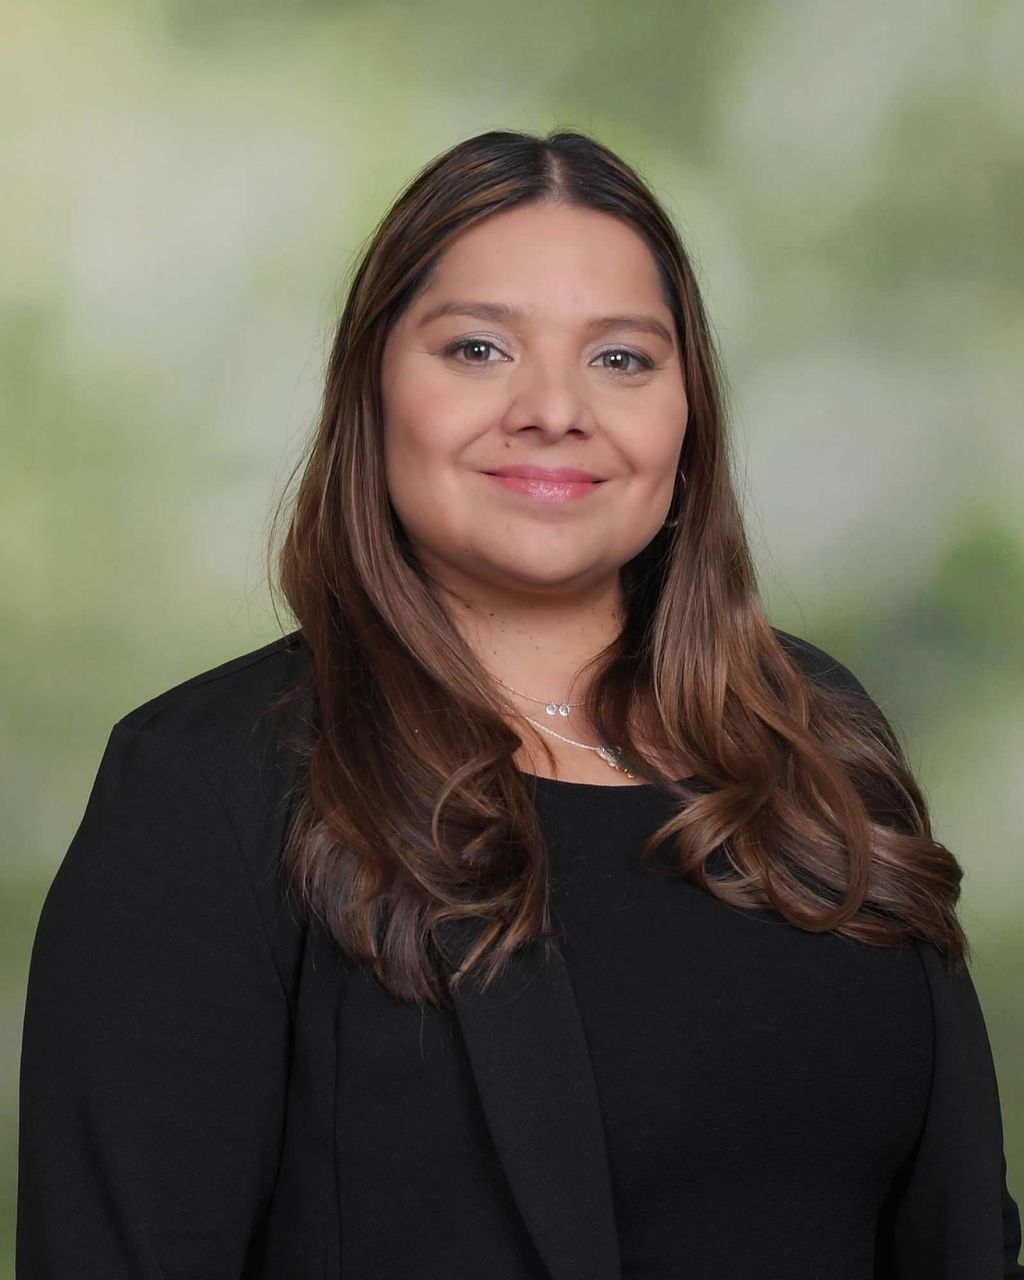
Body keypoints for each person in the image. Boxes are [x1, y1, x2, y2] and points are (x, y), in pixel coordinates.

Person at [16, 128, 1023, 1279]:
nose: (555, 408)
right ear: (374, 388)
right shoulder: (211, 781)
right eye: (480, 347)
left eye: (623, 359)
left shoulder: (814, 737)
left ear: (686, 420)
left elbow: (957, 1229)